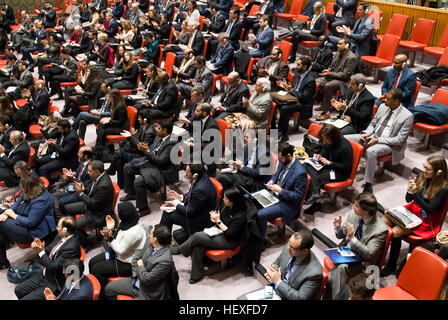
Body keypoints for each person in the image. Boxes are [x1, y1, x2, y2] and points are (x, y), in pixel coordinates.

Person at [380, 155, 448, 277]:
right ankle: (376, 257)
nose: (424, 171)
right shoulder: (422, 176)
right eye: (424, 167)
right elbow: (408, 199)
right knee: (383, 221)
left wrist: (415, 193)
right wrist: (410, 190)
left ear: (438, 172)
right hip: (412, 210)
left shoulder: (443, 188)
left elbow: (429, 209)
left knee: (395, 232)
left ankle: (391, 265)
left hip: (426, 220)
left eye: (428, 169)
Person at [345, 88, 413, 194]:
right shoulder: (382, 107)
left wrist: (377, 140)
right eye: (385, 97)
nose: (384, 100)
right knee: (346, 139)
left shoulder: (407, 116)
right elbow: (373, 124)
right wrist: (365, 134)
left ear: (396, 101)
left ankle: (368, 184)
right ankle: (346, 170)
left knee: (371, 151)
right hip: (373, 135)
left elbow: (399, 140)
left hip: (388, 143)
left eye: (388, 98)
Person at [171, 188, 247, 284]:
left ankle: (179, 250)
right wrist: (216, 217)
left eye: (226, 199)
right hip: (219, 231)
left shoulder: (240, 216)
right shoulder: (227, 206)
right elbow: (221, 217)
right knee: (198, 245)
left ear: (233, 202)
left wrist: (218, 221)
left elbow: (230, 234)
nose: (223, 200)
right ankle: (196, 274)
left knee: (198, 236)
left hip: (230, 241)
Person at [327, 192, 388, 300]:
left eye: (356, 205)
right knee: (339, 267)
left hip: (362, 262)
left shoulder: (380, 230)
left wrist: (353, 239)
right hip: (346, 252)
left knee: (340, 268)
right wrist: (338, 227)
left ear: (366, 211)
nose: (352, 207)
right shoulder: (353, 214)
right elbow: (341, 234)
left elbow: (369, 253)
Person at [239, 230, 323, 300]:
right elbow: (277, 262)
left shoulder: (314, 273)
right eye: (289, 243)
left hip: (286, 297)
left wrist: (278, 281)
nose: (287, 248)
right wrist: (272, 272)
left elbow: (299, 298)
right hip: (274, 288)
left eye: (292, 247)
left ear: (304, 251)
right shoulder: (290, 246)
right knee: (242, 299)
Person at [14, 216, 81, 300]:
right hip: (45, 276)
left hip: (54, 284)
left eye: (58, 226)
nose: (56, 228)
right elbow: (49, 249)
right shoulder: (61, 236)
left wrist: (40, 252)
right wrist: (40, 248)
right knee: (18, 290)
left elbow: (53, 267)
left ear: (65, 230)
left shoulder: (71, 248)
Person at [120, 120, 178, 216]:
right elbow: (152, 148)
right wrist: (144, 147)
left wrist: (147, 151)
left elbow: (161, 161)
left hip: (163, 169)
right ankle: (132, 193)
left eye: (158, 128)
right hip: (151, 162)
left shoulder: (171, 144)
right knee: (128, 167)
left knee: (139, 181)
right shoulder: (159, 137)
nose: (156, 129)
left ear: (165, 130)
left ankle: (144, 209)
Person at [89, 202, 147, 299]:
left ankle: (103, 295)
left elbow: (120, 250)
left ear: (125, 215)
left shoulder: (134, 233)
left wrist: (110, 237)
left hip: (126, 262)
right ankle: (100, 285)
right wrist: (112, 228)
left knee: (96, 270)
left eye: (118, 211)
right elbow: (120, 236)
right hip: (117, 254)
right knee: (92, 262)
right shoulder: (127, 222)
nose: (115, 212)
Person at [105, 224, 175, 300]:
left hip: (148, 292)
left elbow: (146, 280)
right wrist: (136, 275)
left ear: (155, 239)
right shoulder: (151, 244)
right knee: (108, 288)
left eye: (151, 234)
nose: (149, 235)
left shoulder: (165, 260)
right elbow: (135, 259)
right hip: (136, 281)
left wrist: (141, 266)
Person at [0, 175, 56, 269]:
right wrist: (6, 213)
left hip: (33, 231)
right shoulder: (28, 190)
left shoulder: (42, 199)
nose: (21, 189)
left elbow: (31, 222)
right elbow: (17, 204)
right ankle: (2, 261)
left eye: (23, 187)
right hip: (23, 222)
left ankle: (2, 260)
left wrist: (13, 215)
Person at [256, 142, 307, 240]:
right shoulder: (283, 161)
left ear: (289, 155)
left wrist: (281, 191)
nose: (279, 161)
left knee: (260, 214)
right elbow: (276, 175)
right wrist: (272, 180)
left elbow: (298, 197)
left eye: (281, 158)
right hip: (274, 195)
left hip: (286, 204)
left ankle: (259, 242)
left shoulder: (300, 173)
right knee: (250, 201)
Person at [303, 124, 353, 215]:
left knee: (316, 177)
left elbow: (347, 168)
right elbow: (325, 152)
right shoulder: (330, 142)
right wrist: (319, 155)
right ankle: (314, 195)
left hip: (340, 173)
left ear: (333, 137)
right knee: (306, 165)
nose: (324, 141)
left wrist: (330, 163)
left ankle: (315, 200)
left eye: (326, 139)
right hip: (328, 166)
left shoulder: (345, 147)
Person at [160, 164, 218, 238]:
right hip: (199, 211)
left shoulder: (200, 189)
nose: (185, 172)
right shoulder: (202, 177)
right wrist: (180, 197)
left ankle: (162, 241)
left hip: (200, 221)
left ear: (195, 175)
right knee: (168, 210)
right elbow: (192, 194)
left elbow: (190, 212)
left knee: (167, 213)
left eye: (187, 171)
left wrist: (176, 205)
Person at [61, 160, 114, 231]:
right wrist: (82, 187)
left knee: (72, 227)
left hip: (97, 215)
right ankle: (79, 232)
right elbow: (89, 190)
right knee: (67, 208)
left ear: (97, 172)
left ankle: (77, 234)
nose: (88, 173)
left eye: (90, 171)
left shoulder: (104, 186)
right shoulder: (97, 176)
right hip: (90, 207)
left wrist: (80, 193)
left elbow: (93, 204)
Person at [273, 56, 316, 142]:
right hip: (292, 98)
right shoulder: (297, 75)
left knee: (284, 108)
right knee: (273, 99)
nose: (296, 66)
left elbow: (304, 98)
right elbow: (293, 88)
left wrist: (289, 90)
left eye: (298, 65)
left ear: (305, 67)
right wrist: (286, 87)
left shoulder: (310, 81)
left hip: (302, 104)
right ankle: (273, 127)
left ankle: (284, 134)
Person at [106, 115, 156, 188]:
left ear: (145, 119)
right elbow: (137, 139)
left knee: (118, 153)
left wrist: (131, 136)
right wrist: (133, 136)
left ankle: (111, 170)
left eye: (139, 118)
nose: (138, 119)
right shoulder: (142, 126)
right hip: (137, 151)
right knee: (119, 160)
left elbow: (141, 147)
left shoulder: (150, 132)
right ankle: (121, 184)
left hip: (142, 156)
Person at [315, 38, 357, 121]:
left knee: (328, 86)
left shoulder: (351, 58)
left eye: (340, 44)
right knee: (316, 82)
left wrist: (330, 73)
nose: (337, 45)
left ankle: (326, 112)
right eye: (337, 43)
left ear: (347, 46)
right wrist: (328, 70)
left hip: (343, 81)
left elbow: (345, 75)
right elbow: (332, 65)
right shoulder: (337, 53)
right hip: (333, 76)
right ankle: (324, 104)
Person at [52, 146, 93, 216]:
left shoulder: (91, 169)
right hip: (73, 187)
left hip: (80, 192)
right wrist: (71, 174)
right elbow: (77, 174)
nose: (77, 154)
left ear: (85, 156)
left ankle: (63, 218)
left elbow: (84, 186)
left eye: (80, 153)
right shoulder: (81, 162)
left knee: (61, 201)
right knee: (54, 196)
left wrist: (73, 177)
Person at [234, 15, 274, 79]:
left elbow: (265, 43)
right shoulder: (260, 29)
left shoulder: (270, 32)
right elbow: (255, 40)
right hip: (255, 48)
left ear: (266, 22)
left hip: (262, 51)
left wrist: (254, 39)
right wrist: (248, 42)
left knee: (245, 54)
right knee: (239, 51)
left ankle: (243, 72)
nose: (259, 23)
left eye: (260, 22)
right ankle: (238, 70)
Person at [93, 88, 129, 158]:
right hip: (117, 125)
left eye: (110, 97)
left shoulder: (120, 106)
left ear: (114, 97)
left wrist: (109, 121)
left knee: (102, 130)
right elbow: (115, 118)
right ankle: (99, 149)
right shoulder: (116, 104)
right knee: (101, 125)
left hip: (122, 128)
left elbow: (121, 122)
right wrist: (108, 119)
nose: (108, 98)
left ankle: (98, 150)